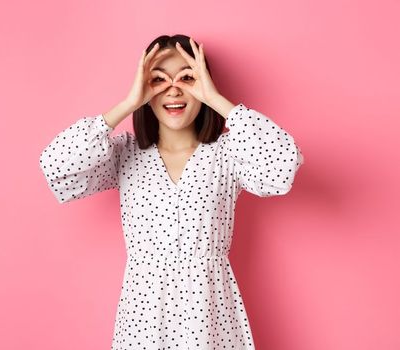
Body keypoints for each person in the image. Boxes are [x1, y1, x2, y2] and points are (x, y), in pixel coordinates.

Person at [38, 34, 304, 349]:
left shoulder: (229, 154)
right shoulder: (123, 154)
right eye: (159, 79)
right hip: (143, 320)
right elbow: (55, 165)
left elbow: (283, 164)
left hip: (210, 319)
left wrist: (215, 98)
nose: (173, 89)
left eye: (187, 77)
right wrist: (127, 104)